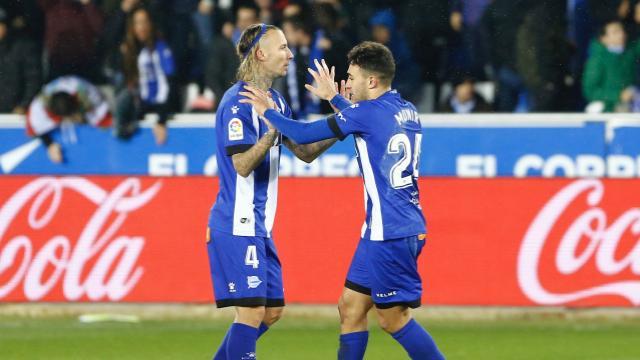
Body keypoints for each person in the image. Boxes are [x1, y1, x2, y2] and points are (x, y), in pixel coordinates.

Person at [240, 42, 445, 360]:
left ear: (372, 82)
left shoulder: (365, 114)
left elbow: (305, 134)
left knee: (394, 320)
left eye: (352, 77)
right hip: (389, 228)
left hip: (389, 232)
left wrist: (268, 111)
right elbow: (366, 120)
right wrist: (334, 99)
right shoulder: (404, 108)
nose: (347, 83)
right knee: (350, 308)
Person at [206, 23, 338, 360]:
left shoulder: (276, 100)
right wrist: (269, 132)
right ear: (261, 54)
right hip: (237, 223)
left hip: (259, 227)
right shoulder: (236, 103)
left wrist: (342, 123)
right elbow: (241, 165)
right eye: (282, 48)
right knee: (250, 313)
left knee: (271, 311)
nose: (290, 54)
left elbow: (305, 152)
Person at [114, 6, 175, 144]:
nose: (141, 27)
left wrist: (161, 120)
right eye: (137, 23)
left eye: (144, 22)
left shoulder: (160, 48)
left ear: (151, 24)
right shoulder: (131, 51)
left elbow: (168, 85)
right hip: (140, 105)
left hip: (159, 106)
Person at [26, 76, 112, 163]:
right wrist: (49, 145)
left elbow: (105, 118)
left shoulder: (86, 93)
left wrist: (85, 118)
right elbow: (34, 128)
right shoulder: (40, 104)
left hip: (94, 94)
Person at [583, 19, 640, 112]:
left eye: (622, 31)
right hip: (607, 108)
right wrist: (618, 95)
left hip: (631, 104)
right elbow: (590, 91)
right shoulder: (597, 59)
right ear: (604, 38)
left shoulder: (630, 52)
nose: (621, 34)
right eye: (615, 32)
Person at [0, 6, 42, 114]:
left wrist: (24, 105)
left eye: (1, 24)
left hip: (15, 114)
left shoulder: (23, 47)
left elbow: (33, 80)